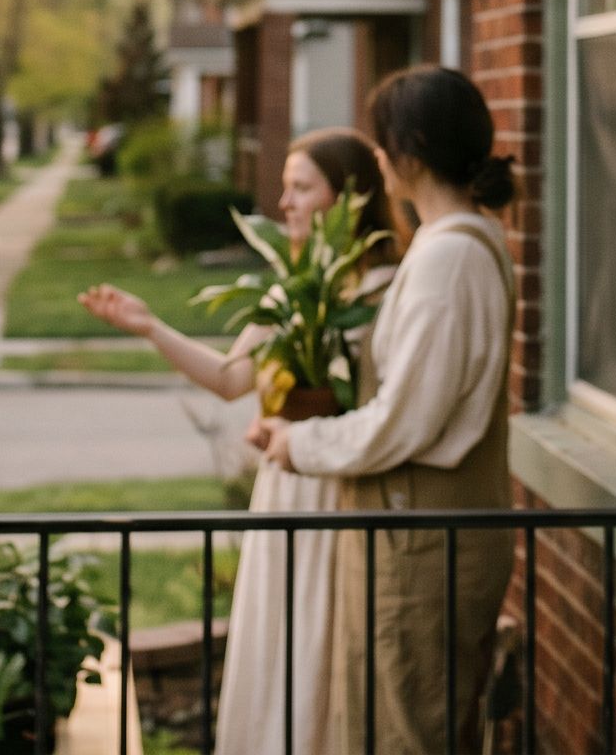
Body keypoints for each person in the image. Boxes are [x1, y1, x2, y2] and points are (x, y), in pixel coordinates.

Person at [79, 128, 400, 755]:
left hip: (340, 496)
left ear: (349, 199)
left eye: (302, 188)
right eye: (285, 188)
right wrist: (150, 327)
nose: (285, 204)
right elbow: (232, 380)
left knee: (323, 640)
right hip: (284, 491)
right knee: (279, 639)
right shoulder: (290, 289)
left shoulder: (383, 292)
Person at [248, 68, 520, 755]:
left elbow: (404, 420)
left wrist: (298, 443)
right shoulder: (450, 247)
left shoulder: (450, 259)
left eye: (381, 142)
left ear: (413, 149)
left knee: (406, 734)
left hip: (421, 541)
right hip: (413, 534)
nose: (374, 158)